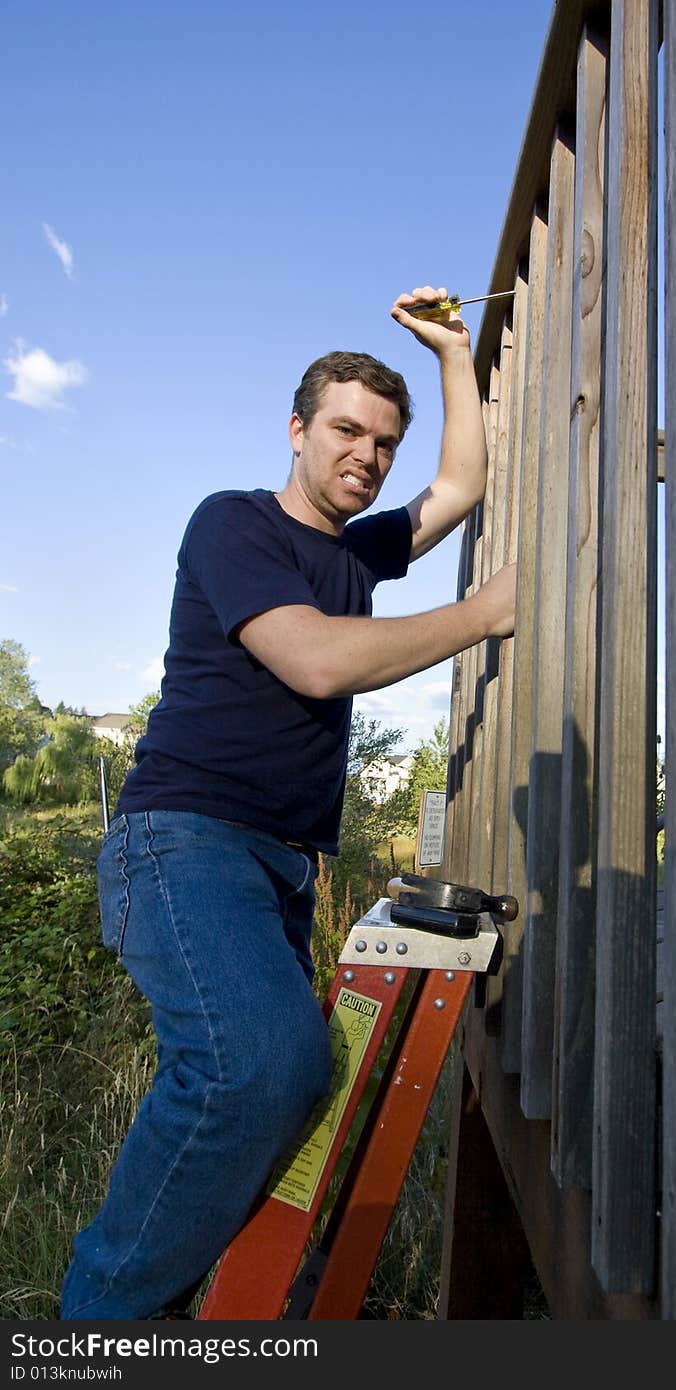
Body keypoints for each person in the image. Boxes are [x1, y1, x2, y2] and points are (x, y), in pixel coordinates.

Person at [59, 285, 516, 1320]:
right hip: (182, 841)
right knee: (257, 1068)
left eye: (384, 441)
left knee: (284, 1084)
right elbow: (312, 661)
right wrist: (485, 612)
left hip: (278, 862)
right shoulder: (234, 524)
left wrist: (451, 352)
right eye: (347, 429)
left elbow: (460, 483)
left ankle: (177, 1306)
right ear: (297, 428)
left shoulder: (356, 555)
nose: (368, 453)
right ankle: (99, 1327)